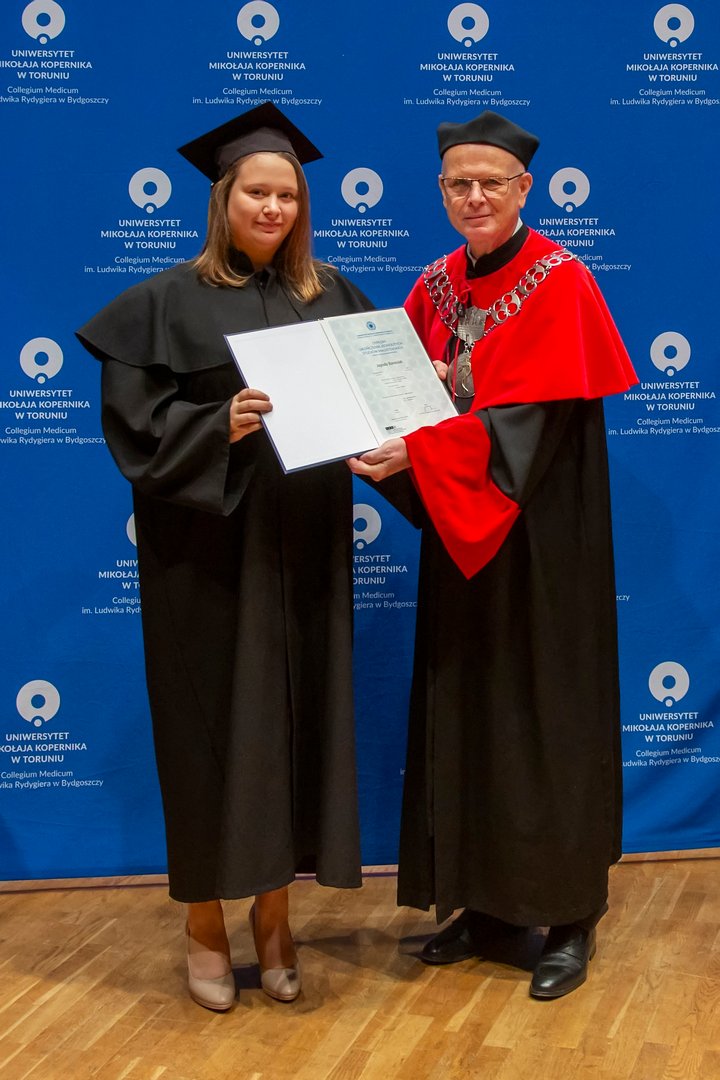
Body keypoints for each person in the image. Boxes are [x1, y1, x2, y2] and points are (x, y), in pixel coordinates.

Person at [77, 102, 372, 1011]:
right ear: (223, 199)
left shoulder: (331, 294)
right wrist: (220, 423)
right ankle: (205, 921)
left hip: (307, 545)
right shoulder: (162, 303)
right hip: (203, 557)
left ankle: (276, 917)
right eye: (257, 192)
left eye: (288, 195)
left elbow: (377, 402)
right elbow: (135, 429)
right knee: (206, 732)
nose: (273, 208)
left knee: (298, 723)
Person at [349, 111, 637, 999]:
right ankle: (487, 906)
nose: (475, 197)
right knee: (469, 711)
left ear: (524, 189)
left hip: (543, 547)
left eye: (491, 183)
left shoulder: (561, 281)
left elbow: (529, 429)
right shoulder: (434, 286)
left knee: (547, 719)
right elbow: (402, 395)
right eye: (458, 184)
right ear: (441, 192)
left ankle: (570, 915)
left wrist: (423, 447)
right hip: (463, 537)